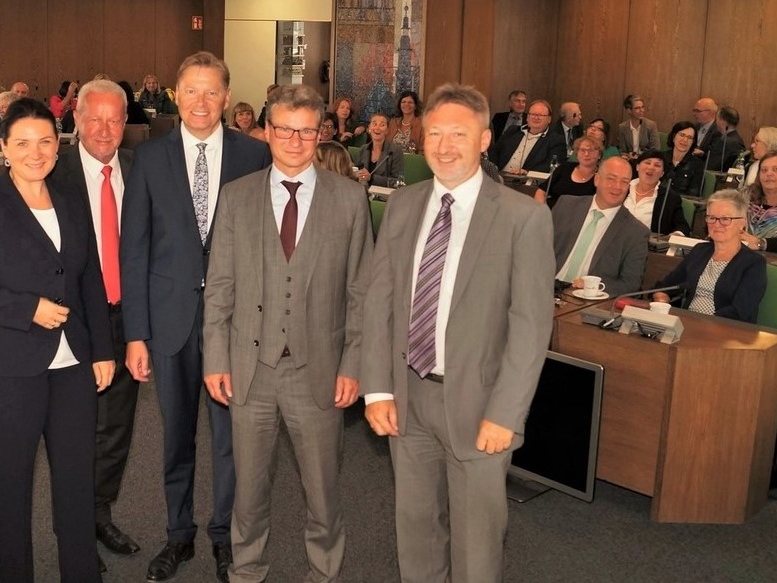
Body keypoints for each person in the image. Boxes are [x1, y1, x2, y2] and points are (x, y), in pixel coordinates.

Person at [361, 82, 554, 583]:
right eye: (435, 134)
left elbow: (531, 327)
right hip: (408, 397)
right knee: (417, 532)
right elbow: (379, 302)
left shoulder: (524, 218)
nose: (445, 146)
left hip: (481, 406)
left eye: (459, 134)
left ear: (485, 140)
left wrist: (506, 414)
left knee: (476, 542)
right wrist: (378, 388)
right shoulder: (403, 206)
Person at [0, 98, 115, 583]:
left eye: (45, 142)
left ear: (58, 146)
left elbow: (91, 280)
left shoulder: (72, 199)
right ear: (3, 148)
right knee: (12, 480)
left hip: (74, 361)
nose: (35, 153)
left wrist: (102, 348)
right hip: (7, 364)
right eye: (22, 143)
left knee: (76, 480)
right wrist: (27, 309)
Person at [203, 82, 373, 583]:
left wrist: (354, 363)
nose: (294, 140)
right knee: (248, 493)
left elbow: (362, 291)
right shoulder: (236, 198)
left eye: (305, 131)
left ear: (321, 134)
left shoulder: (349, 199)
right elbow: (220, 288)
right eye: (283, 129)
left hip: (318, 371)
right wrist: (215, 357)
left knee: (323, 493)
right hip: (248, 371)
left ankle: (324, 573)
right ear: (267, 130)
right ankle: (247, 571)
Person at [120, 51, 271, 583]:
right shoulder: (149, 158)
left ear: (227, 97)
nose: (201, 102)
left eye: (212, 91)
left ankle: (226, 537)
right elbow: (132, 250)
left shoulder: (256, 157)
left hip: (234, 326)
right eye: (192, 91)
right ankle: (178, 535)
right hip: (169, 322)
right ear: (175, 97)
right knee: (175, 435)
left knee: (232, 439)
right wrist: (135, 333)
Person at [48, 79, 144, 563]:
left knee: (116, 428)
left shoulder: (138, 168)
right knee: (73, 429)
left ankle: (98, 514)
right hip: (72, 323)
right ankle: (73, 533)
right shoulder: (52, 173)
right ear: (77, 120)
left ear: (126, 124)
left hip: (126, 322)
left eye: (115, 119)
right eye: (95, 118)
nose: (105, 130)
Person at [653, 189, 767, 323]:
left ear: (742, 223)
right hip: (686, 324)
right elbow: (666, 286)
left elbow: (739, 312)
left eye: (725, 219)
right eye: (712, 218)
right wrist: (661, 298)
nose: (717, 225)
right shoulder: (699, 251)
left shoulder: (754, 263)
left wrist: (701, 324)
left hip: (727, 332)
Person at [553, 156, 649, 296]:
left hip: (586, 300)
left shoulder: (636, 232)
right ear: (597, 179)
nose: (617, 187)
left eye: (624, 182)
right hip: (544, 285)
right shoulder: (566, 205)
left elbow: (631, 284)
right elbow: (536, 249)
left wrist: (595, 287)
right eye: (611, 179)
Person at [623, 150, 691, 235]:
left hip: (646, 245)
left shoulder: (669, 198)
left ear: (662, 173)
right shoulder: (622, 188)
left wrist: (676, 234)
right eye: (647, 163)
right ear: (637, 167)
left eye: (657, 165)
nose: (651, 168)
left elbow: (682, 227)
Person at [491, 98, 567, 175]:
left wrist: (527, 172)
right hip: (499, 176)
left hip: (525, 181)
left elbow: (552, 166)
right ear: (527, 117)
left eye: (541, 115)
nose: (536, 117)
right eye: (533, 114)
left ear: (549, 119)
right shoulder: (512, 131)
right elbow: (494, 152)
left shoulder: (556, 140)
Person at [534, 135, 601, 204]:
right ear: (577, 153)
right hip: (550, 211)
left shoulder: (602, 176)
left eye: (591, 150)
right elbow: (542, 191)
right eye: (582, 150)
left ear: (599, 155)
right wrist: (542, 209)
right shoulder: (565, 167)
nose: (586, 154)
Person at [355, 112, 404, 186]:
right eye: (374, 124)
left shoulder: (395, 150)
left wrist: (371, 178)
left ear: (387, 130)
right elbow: (355, 174)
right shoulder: (363, 149)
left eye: (382, 125)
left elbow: (398, 182)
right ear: (369, 129)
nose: (377, 128)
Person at [661, 121, 705, 198]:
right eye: (682, 135)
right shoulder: (660, 158)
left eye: (690, 137)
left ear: (693, 142)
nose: (685, 140)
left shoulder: (697, 165)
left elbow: (693, 196)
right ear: (674, 137)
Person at [614, 94, 660, 160]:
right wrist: (627, 156)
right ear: (629, 110)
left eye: (642, 107)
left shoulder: (651, 125)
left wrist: (639, 157)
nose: (641, 110)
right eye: (637, 108)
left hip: (646, 160)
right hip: (629, 160)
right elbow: (622, 151)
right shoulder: (622, 127)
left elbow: (656, 150)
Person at [706, 106, 745, 172]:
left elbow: (711, 166)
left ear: (723, 121)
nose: (716, 122)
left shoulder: (724, 142)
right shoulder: (737, 139)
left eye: (717, 119)